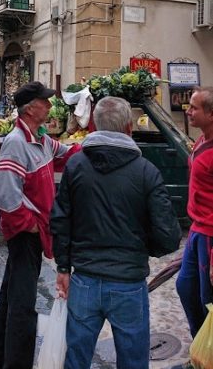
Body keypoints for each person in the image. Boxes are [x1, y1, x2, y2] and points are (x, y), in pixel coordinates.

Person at [50, 96, 182, 369]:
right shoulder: (146, 171)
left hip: (85, 279)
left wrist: (63, 267)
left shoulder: (76, 166)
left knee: (76, 359)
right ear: (129, 128)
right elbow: (168, 235)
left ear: (94, 125)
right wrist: (142, 248)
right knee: (133, 361)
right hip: (128, 283)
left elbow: (60, 220)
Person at [0, 81, 81, 369]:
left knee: (10, 297)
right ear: (30, 108)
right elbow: (4, 194)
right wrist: (30, 226)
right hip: (26, 236)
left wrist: (94, 146)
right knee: (23, 305)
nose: (50, 106)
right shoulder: (17, 142)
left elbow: (66, 154)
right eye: (45, 102)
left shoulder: (39, 139)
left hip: (32, 234)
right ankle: (17, 363)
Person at [171, 87, 213, 369]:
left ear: (211, 114)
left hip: (210, 233)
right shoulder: (201, 141)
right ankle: (200, 352)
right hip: (197, 229)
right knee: (186, 287)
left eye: (194, 108)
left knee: (208, 299)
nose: (188, 111)